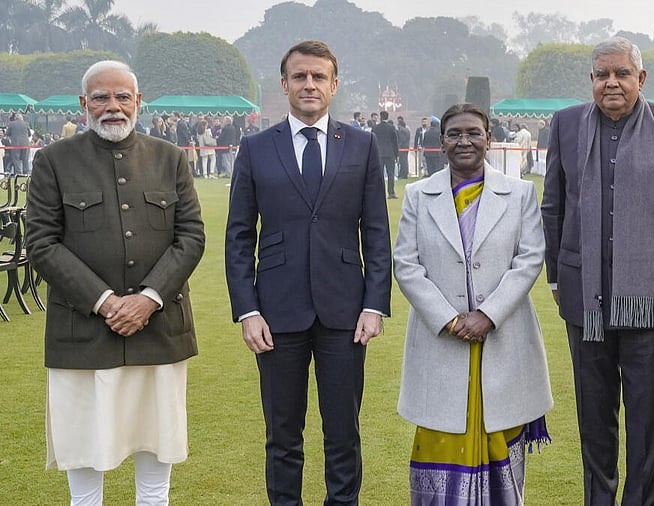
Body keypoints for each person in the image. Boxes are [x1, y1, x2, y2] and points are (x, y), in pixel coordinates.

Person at [25, 60, 205, 505]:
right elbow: (42, 244)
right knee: (85, 466)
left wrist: (148, 298)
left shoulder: (170, 158)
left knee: (155, 469)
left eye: (122, 96)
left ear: (138, 101)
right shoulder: (53, 161)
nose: (113, 107)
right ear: (83, 103)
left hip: (159, 331)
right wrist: (106, 303)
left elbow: (191, 236)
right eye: (101, 97)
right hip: (83, 335)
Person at [224, 40, 392, 506]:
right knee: (282, 437)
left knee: (343, 435)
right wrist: (247, 310)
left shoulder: (362, 144)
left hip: (346, 313)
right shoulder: (256, 148)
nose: (309, 84)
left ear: (334, 85)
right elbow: (238, 236)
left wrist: (375, 303)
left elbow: (376, 232)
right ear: (284, 85)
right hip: (276, 314)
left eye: (319, 77)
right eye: (300, 76)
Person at [541, 36, 654, 505]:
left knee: (645, 419)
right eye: (602, 75)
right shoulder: (566, 125)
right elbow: (554, 204)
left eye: (622, 74)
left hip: (650, 295)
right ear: (591, 80)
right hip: (583, 295)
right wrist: (555, 275)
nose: (612, 82)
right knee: (594, 415)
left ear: (641, 78)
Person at [394, 103, 552, 505]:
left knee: (500, 434)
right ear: (441, 142)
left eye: (473, 133)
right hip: (440, 344)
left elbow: (530, 258)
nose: (464, 141)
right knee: (441, 436)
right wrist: (449, 319)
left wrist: (488, 314)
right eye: (454, 134)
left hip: (503, 340)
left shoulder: (519, 194)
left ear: (488, 137)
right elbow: (406, 264)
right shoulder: (418, 196)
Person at [372, 110, 399, 198]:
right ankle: (391, 193)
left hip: (378, 153)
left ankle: (378, 193)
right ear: (387, 117)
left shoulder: (375, 127)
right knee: (390, 174)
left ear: (380, 117)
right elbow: (395, 141)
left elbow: (372, 141)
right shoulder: (391, 127)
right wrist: (396, 154)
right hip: (390, 153)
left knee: (379, 175)